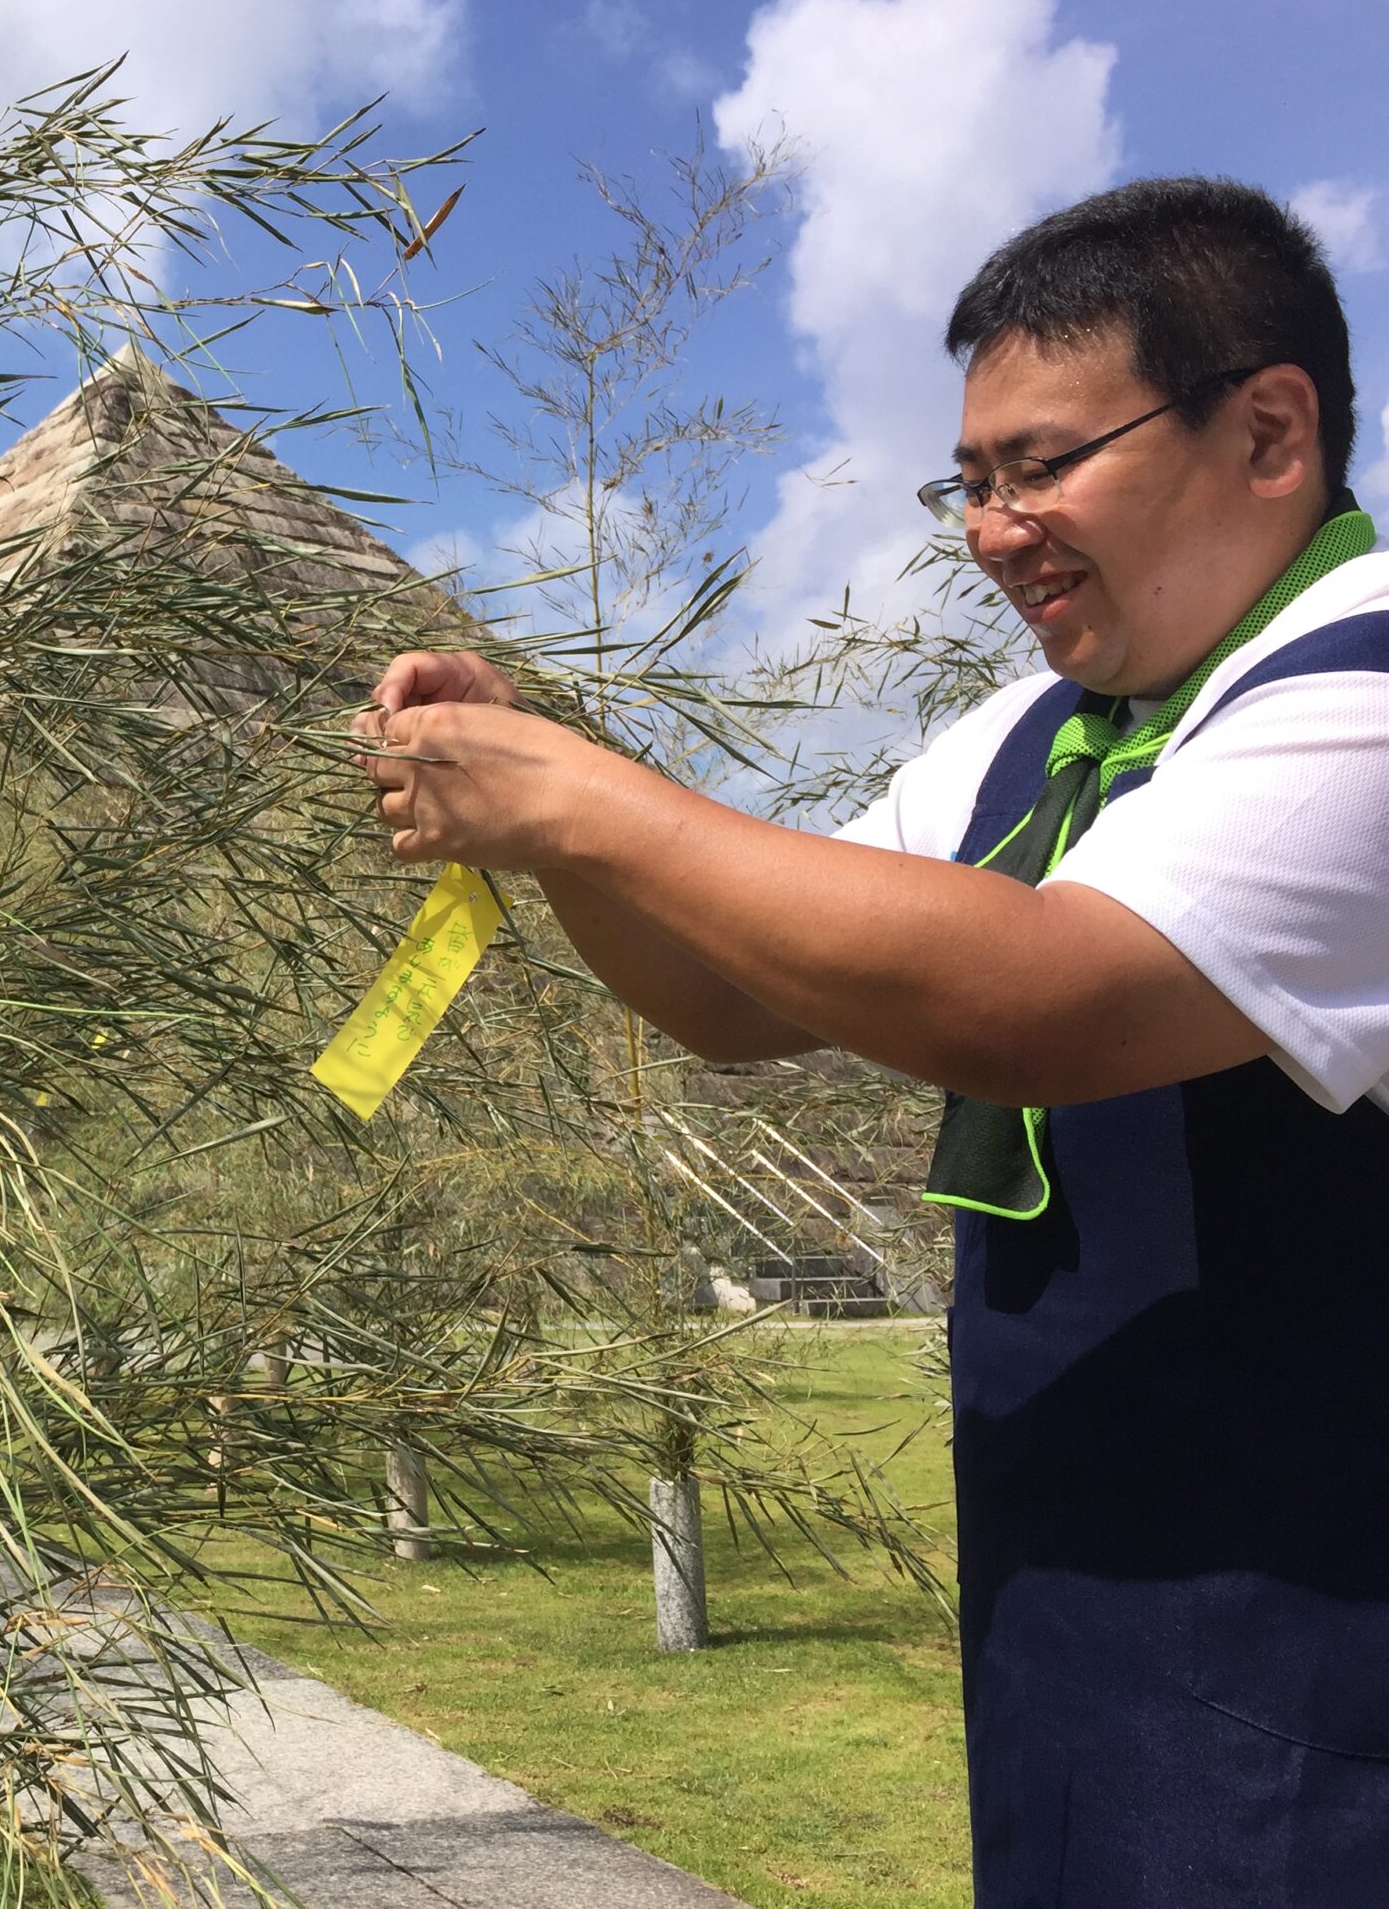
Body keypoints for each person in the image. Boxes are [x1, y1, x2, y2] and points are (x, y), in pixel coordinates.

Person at [354, 175, 1389, 1906]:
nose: (992, 529)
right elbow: (737, 996)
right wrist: (547, 824)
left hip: (1315, 1674)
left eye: (1045, 464)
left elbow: (1039, 994)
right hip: (1075, 1635)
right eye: (969, 482)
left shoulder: (1357, 708)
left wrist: (591, 805)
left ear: (1269, 430)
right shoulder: (1028, 741)